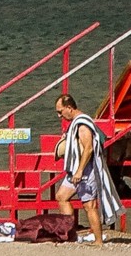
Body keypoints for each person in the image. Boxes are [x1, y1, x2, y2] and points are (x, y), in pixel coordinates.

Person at [53, 94, 125, 246]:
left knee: (89, 205)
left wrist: (80, 171)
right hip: (75, 169)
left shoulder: (83, 124)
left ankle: (98, 241)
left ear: (69, 108)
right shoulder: (76, 123)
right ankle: (70, 235)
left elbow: (89, 148)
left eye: (60, 111)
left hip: (87, 170)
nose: (60, 115)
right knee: (61, 196)